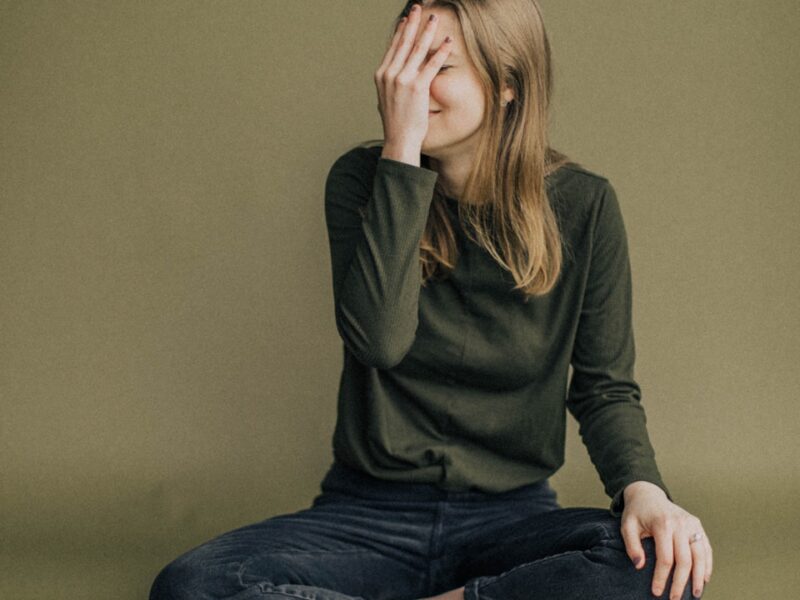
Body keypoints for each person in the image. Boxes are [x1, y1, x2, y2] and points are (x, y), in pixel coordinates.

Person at [149, 1, 713, 599]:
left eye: (435, 65)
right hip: (368, 518)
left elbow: (605, 388)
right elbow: (380, 342)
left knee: (660, 566)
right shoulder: (360, 180)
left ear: (508, 84)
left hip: (511, 518)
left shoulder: (586, 206)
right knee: (193, 585)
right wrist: (401, 150)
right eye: (402, 60)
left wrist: (644, 490)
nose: (408, 85)